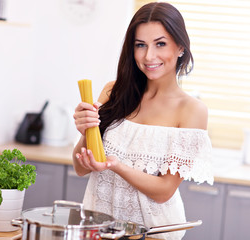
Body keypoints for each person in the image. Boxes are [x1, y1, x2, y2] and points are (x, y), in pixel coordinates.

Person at [72, 2, 213, 239]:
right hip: (99, 229)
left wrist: (115, 166)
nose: (149, 56)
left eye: (160, 44)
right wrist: (86, 129)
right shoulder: (113, 91)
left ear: (180, 47)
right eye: (140, 45)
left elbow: (164, 191)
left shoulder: (191, 110)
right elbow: (80, 168)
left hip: (154, 233)